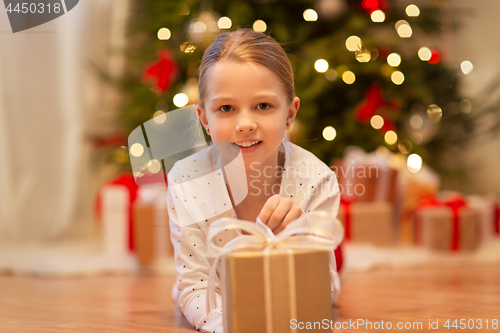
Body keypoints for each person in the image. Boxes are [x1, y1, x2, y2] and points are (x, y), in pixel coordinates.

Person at [167, 28, 341, 333]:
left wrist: (300, 241)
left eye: (263, 106)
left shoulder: (316, 180)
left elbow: (324, 291)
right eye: (226, 108)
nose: (245, 124)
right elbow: (195, 285)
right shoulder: (186, 181)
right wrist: (233, 326)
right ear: (204, 118)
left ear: (290, 113)